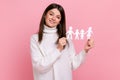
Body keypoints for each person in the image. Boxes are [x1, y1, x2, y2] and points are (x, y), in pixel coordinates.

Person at [30, 3, 94, 80]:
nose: (53, 18)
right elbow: (39, 66)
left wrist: (85, 50)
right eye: (51, 14)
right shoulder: (35, 39)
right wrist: (58, 49)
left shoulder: (65, 38)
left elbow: (73, 64)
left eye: (57, 17)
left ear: (60, 21)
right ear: (45, 15)